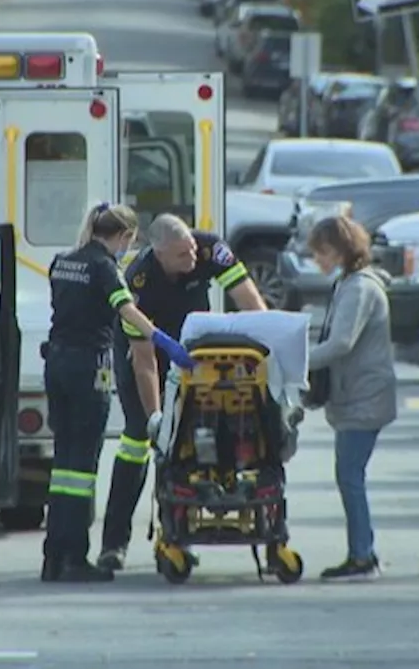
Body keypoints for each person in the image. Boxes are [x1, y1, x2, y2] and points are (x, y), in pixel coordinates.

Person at [96, 214, 268, 571]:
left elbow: (250, 302)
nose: (191, 259)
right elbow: (144, 362)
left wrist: (269, 347)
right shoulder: (138, 283)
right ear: (158, 253)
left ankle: (178, 532)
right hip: (148, 355)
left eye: (191, 250)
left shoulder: (208, 248)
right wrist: (156, 419)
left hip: (193, 356)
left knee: (192, 438)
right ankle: (114, 544)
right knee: (138, 442)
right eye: (181, 255)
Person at [42, 203, 194, 583]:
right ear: (124, 236)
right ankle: (75, 558)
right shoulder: (104, 268)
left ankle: (53, 557)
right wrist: (166, 342)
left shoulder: (62, 262)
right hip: (87, 369)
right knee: (81, 470)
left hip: (56, 366)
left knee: (63, 464)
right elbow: (128, 312)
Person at [305, 214, 397, 582]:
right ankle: (362, 551)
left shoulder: (358, 288)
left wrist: (299, 360)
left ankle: (363, 555)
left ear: (342, 250)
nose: (318, 260)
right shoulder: (350, 283)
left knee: (349, 476)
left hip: (364, 397)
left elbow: (342, 342)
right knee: (350, 475)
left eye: (322, 252)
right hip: (359, 395)